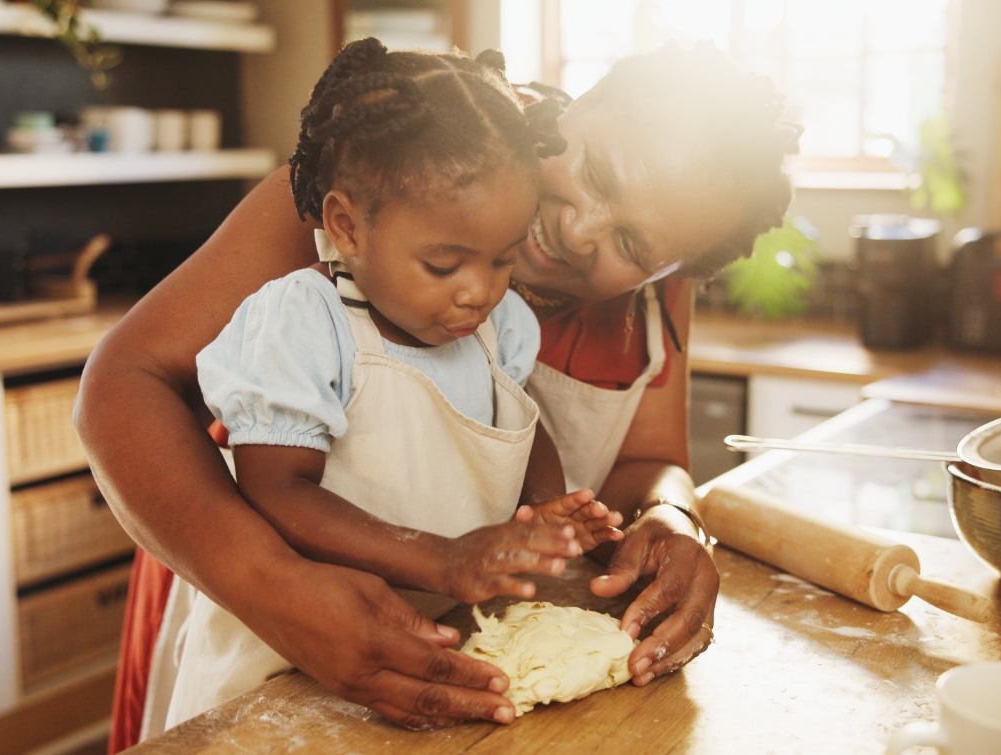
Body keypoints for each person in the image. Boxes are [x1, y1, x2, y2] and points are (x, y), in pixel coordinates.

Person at [75, 40, 799, 747]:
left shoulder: (661, 268)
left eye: (634, 248)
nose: (580, 232)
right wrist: (272, 586)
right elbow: (124, 382)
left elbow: (646, 461)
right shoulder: (397, 166)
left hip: (461, 636)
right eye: (599, 172)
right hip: (239, 568)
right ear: (578, 105)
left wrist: (672, 518)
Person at [161, 39, 625, 727]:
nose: (479, 291)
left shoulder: (502, 326)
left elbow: (520, 429)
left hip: (421, 646)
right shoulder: (302, 322)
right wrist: (439, 558)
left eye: (501, 259)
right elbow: (276, 490)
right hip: (282, 662)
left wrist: (543, 509)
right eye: (444, 264)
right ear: (347, 225)